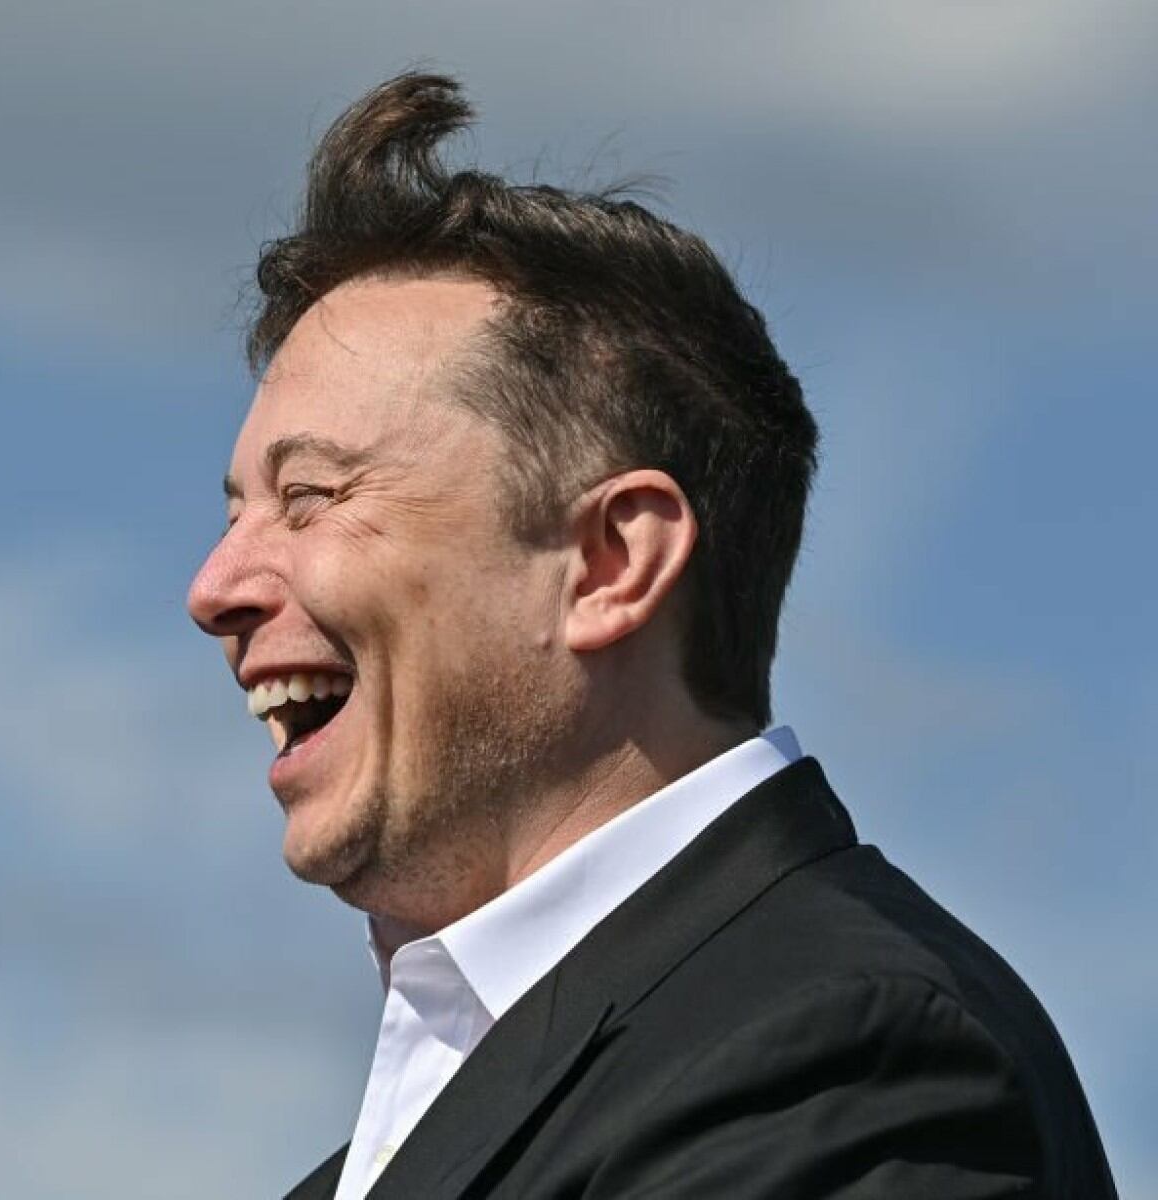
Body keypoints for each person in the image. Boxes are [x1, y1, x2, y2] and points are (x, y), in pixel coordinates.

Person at [186, 72, 1117, 1200]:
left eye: (311, 497)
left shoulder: (838, 1059)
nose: (214, 589)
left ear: (610, 563)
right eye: (232, 517)